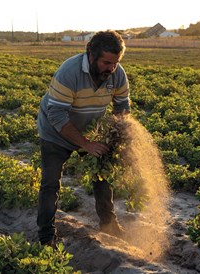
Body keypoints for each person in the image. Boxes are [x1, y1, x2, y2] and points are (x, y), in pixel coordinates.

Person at [36, 30, 130, 246]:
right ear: (91, 55)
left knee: (102, 176)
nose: (112, 68)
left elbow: (122, 106)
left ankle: (109, 223)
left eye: (115, 62)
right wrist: (86, 144)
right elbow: (57, 115)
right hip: (55, 131)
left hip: (89, 129)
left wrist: (115, 135)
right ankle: (46, 235)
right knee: (50, 183)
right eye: (107, 62)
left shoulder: (117, 74)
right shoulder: (69, 73)